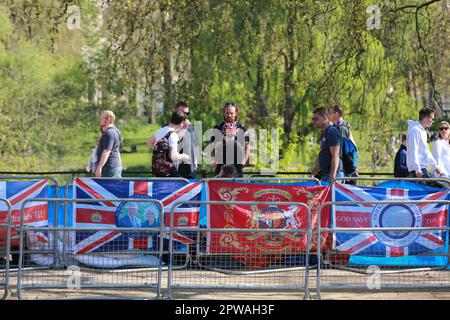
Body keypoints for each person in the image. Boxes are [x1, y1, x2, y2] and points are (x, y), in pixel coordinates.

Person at [211, 102, 250, 178]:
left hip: (237, 166)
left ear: (236, 113)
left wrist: (244, 162)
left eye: (231, 113)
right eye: (227, 113)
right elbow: (212, 146)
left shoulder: (242, 128)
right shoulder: (218, 127)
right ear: (224, 113)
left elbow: (247, 146)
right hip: (221, 166)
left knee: (237, 188)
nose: (229, 115)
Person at [147, 111, 190, 177]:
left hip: (158, 170)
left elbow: (149, 142)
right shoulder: (173, 135)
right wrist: (183, 156)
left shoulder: (162, 130)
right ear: (181, 123)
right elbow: (173, 156)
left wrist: (160, 151)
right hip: (169, 172)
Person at [310, 107, 344, 183]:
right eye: (312, 119)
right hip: (326, 175)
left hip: (333, 175)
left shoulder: (332, 132)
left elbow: (335, 156)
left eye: (315, 119)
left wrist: (332, 177)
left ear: (325, 117)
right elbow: (322, 157)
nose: (314, 121)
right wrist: (312, 174)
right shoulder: (324, 133)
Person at [406, 107, 441, 178]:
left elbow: (426, 151)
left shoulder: (423, 131)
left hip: (422, 168)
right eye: (432, 119)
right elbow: (413, 151)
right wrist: (417, 170)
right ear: (426, 118)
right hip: (417, 170)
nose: (433, 121)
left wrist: (434, 166)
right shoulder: (415, 130)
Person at [329, 104, 358, 183]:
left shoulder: (342, 128)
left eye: (330, 113)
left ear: (336, 114)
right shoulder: (336, 127)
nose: (329, 115)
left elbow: (343, 150)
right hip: (343, 168)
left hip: (346, 169)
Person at [95, 110, 123, 178]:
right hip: (114, 167)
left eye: (101, 118)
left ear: (107, 120)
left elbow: (107, 152)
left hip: (109, 169)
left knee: (109, 188)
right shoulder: (116, 131)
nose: (99, 120)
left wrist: (99, 168)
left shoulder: (109, 133)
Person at [174, 101, 197, 179]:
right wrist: (183, 129)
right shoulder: (170, 127)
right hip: (176, 170)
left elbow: (194, 146)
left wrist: (195, 164)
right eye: (183, 113)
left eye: (187, 113)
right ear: (176, 112)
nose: (186, 116)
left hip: (190, 169)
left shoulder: (191, 127)